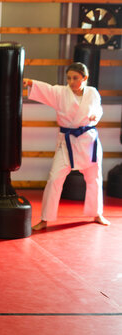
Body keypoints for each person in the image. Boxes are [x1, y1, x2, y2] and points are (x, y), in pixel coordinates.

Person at [23, 62, 110, 231]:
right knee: (54, 178)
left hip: (88, 141)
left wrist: (94, 116)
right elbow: (47, 88)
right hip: (67, 142)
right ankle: (45, 219)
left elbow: (99, 110)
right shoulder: (61, 93)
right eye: (69, 78)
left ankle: (97, 213)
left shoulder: (92, 93)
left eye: (75, 78)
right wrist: (31, 82)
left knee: (94, 179)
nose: (71, 81)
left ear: (84, 78)